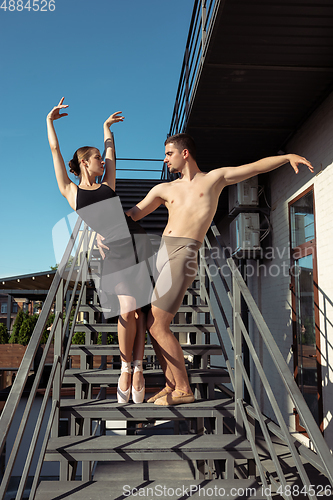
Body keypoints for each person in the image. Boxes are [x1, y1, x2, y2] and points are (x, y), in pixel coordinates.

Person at [120, 133, 314, 406]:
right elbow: (133, 214)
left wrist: (286, 157)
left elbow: (254, 167)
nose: (165, 160)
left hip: (185, 253)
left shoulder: (214, 178)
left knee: (159, 323)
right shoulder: (163, 189)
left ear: (185, 153)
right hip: (161, 254)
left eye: (168, 154)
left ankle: (184, 389)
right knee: (152, 323)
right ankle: (171, 384)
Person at [46, 97, 151, 404]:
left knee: (139, 310)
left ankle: (138, 369)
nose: (102, 162)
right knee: (127, 308)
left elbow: (112, 154)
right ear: (83, 163)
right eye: (96, 159)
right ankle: (124, 368)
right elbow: (55, 151)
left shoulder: (109, 184)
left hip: (136, 243)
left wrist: (107, 130)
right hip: (112, 255)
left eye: (101, 159)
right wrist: (49, 122)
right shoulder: (71, 191)